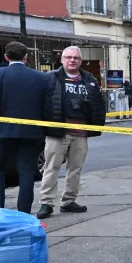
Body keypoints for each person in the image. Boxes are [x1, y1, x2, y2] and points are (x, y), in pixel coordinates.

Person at [36, 46, 107, 220]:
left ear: (80, 61)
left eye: (75, 58)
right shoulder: (51, 78)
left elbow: (98, 104)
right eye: (68, 57)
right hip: (57, 131)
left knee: (75, 169)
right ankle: (46, 203)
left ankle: (68, 201)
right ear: (62, 60)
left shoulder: (89, 80)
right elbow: (41, 103)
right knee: (50, 167)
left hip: (81, 132)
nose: (72, 60)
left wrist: (96, 124)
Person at [0, 41, 50, 213]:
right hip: (30, 132)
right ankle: (24, 213)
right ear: (26, 57)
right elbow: (46, 107)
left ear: (6, 57)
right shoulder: (41, 77)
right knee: (26, 173)